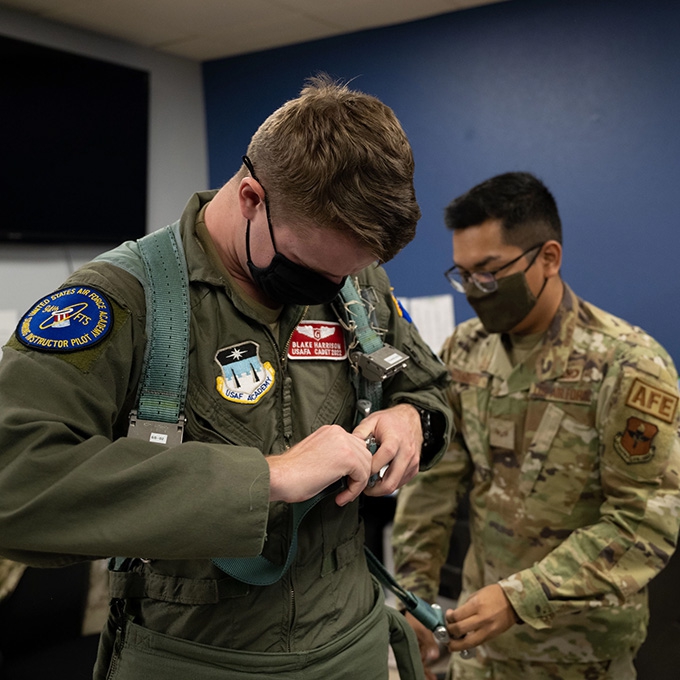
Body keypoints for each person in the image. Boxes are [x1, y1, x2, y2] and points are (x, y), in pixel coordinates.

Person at [0, 76, 452, 680]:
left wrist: (410, 418)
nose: (327, 289)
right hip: (196, 656)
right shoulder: (119, 301)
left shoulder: (354, 283)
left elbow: (427, 387)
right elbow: (16, 480)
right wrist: (266, 478)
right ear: (249, 199)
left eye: (346, 272)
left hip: (352, 642)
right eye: (308, 268)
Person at [392, 171, 680, 680]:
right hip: (479, 647)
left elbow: (642, 523)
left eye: (489, 272)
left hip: (581, 654)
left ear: (548, 258)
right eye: (463, 275)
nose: (475, 291)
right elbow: (435, 483)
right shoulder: (464, 350)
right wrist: (415, 595)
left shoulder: (627, 363)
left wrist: (520, 597)